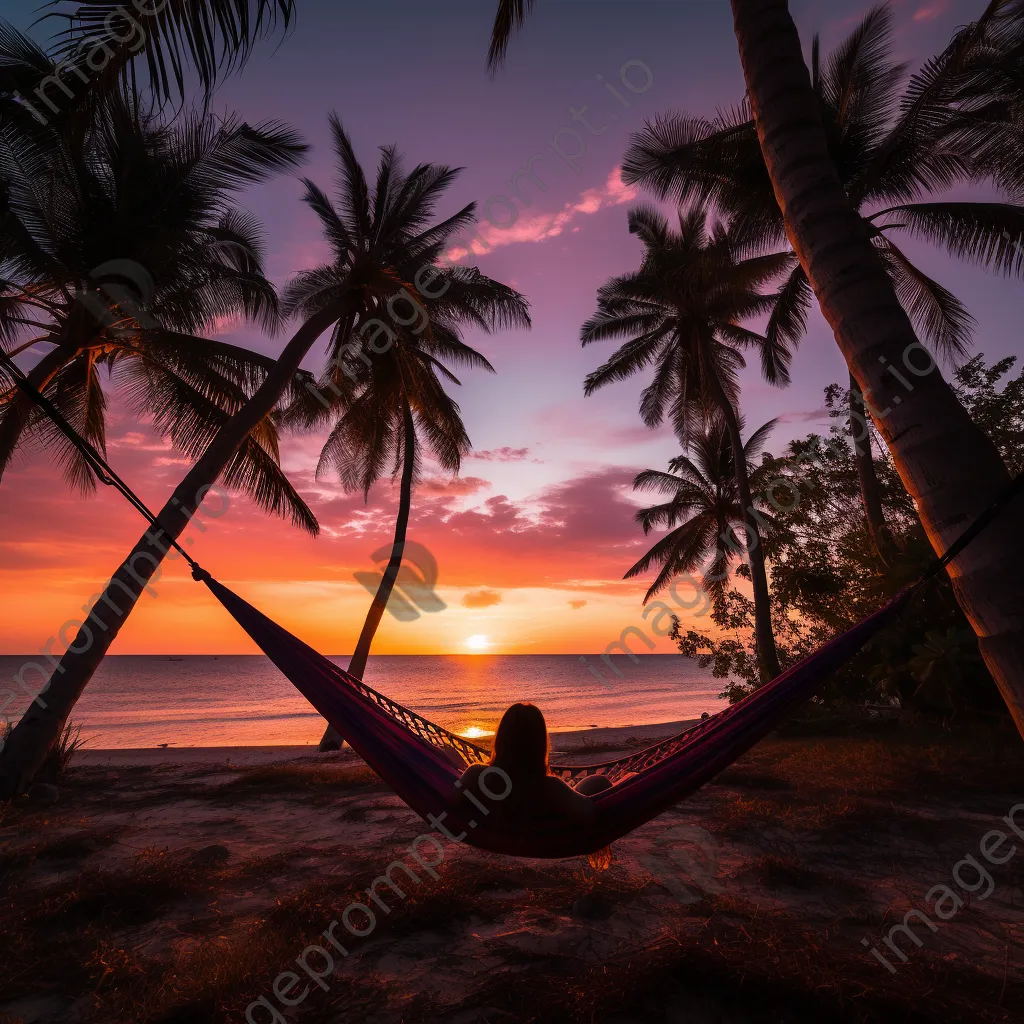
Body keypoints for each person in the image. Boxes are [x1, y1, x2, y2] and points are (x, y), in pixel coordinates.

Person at [456, 702, 612, 828]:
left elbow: (451, 803)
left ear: (501, 739)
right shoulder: (550, 788)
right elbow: (590, 816)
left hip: (495, 831)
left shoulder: (476, 774)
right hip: (544, 830)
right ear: (539, 744)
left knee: (450, 754)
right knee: (598, 781)